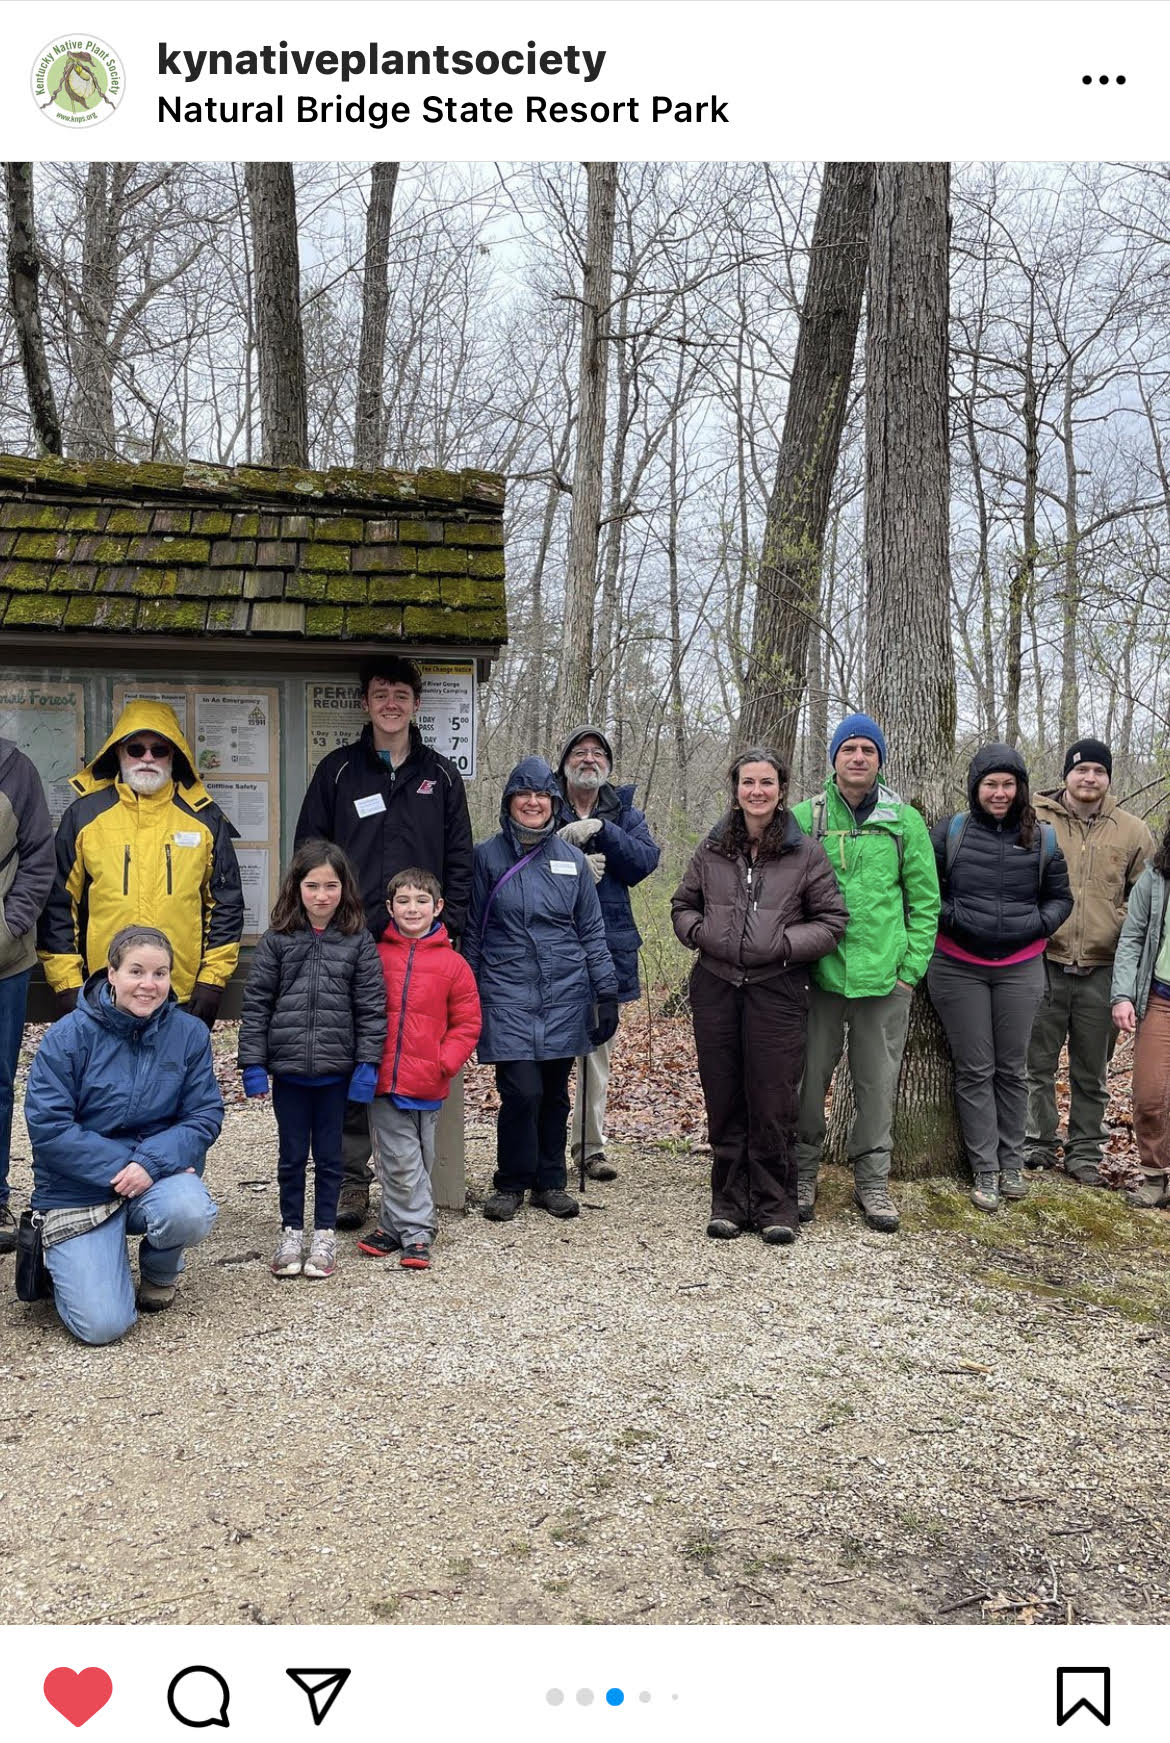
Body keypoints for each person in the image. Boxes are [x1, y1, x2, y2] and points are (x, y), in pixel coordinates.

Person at [295, 656, 474, 1230]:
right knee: (352, 1057)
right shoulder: (339, 772)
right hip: (352, 941)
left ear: (416, 704)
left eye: (401, 693)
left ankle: (414, 1193)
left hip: (420, 948)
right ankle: (351, 1181)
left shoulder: (441, 776)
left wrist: (455, 935)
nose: (390, 703)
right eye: (380, 693)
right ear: (365, 703)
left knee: (412, 1056)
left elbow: (461, 864)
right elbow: (309, 854)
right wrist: (320, 928)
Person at [671, 746, 848, 1244]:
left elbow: (833, 921)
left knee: (772, 1099)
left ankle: (775, 1206)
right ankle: (728, 1201)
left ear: (781, 789)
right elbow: (682, 904)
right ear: (736, 789)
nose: (756, 791)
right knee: (724, 1095)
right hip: (717, 985)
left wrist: (784, 945)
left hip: (778, 987)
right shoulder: (712, 848)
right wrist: (703, 933)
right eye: (748, 782)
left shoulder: (805, 852)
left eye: (766, 782)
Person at [24, 925, 222, 1346]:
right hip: (77, 1188)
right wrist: (128, 1164)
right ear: (111, 974)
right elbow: (49, 1127)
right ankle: (76, 1261)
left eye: (160, 974)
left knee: (189, 1208)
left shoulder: (189, 1034)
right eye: (136, 972)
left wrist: (149, 1165)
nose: (148, 985)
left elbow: (203, 1115)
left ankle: (159, 1271)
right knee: (103, 1326)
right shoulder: (67, 1036)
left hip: (152, 1178)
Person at [791, 713, 940, 1234]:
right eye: (848, 748)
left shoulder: (905, 822)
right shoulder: (805, 818)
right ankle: (802, 1172)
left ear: (880, 760)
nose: (858, 757)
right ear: (833, 758)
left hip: (884, 981)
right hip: (819, 977)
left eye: (867, 750)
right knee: (808, 1082)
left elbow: (925, 902)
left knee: (877, 1084)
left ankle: (872, 1180)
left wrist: (909, 972)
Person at [464, 756, 618, 1224]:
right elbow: (472, 931)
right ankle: (511, 1180)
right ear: (509, 801)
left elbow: (592, 931)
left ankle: (550, 1181)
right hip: (506, 990)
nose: (533, 803)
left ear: (553, 802)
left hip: (565, 992)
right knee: (522, 1090)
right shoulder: (486, 857)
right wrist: (465, 995)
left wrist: (605, 992)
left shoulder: (571, 860)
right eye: (523, 794)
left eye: (541, 795)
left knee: (554, 1093)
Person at [928, 744, 1073, 1213]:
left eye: (1008, 783)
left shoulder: (1043, 838)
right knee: (975, 1070)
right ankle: (984, 1170)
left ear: (1020, 787)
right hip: (957, 966)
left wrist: (1034, 926)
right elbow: (928, 891)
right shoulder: (951, 832)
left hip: (1020, 968)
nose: (1000, 792)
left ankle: (1011, 1163)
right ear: (975, 787)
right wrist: (958, 919)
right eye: (990, 783)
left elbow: (1060, 899)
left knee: (1012, 1070)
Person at [38, 701, 244, 1027]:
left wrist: (212, 981)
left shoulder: (204, 818)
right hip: (104, 993)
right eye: (136, 749)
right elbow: (59, 905)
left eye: (158, 750)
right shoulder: (84, 816)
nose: (147, 758)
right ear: (119, 753)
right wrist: (67, 985)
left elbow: (226, 903)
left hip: (181, 993)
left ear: (173, 756)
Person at [237, 842, 387, 1280]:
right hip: (289, 1071)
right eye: (312, 885)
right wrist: (252, 1062)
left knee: (330, 1155)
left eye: (331, 886)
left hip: (337, 1071)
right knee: (290, 1155)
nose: (322, 895)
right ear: (296, 887)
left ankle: (323, 1233)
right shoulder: (277, 939)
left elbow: (371, 1007)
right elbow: (257, 1004)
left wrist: (366, 1064)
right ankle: (290, 1231)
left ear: (345, 889)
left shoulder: (358, 940)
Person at [1026, 738, 1154, 1186]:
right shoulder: (1034, 819)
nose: (1089, 778)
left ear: (1108, 778)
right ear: (1066, 775)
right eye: (1081, 771)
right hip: (1043, 959)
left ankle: (1084, 1153)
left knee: (1090, 1072)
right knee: (1035, 1065)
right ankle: (1037, 1143)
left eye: (1098, 772)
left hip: (1103, 969)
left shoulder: (1132, 831)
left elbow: (1147, 903)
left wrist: (1121, 932)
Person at [358, 867, 482, 1270]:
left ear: (438, 907)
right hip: (383, 1079)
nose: (413, 908)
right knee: (399, 1157)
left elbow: (467, 1023)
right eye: (404, 901)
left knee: (419, 1158)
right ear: (390, 908)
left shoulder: (454, 964)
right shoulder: (376, 956)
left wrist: (444, 1062)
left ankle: (392, 1225)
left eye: (421, 900)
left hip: (428, 1081)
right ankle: (417, 1232)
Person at [554, 725, 660, 1183]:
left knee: (597, 1055)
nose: (589, 759)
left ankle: (590, 1147)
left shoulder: (625, 811)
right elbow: (518, 861)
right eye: (580, 752)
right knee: (552, 1053)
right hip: (553, 948)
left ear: (608, 765)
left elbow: (643, 862)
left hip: (609, 951)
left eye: (598, 753)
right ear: (564, 763)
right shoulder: (545, 802)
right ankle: (544, 1151)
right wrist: (568, 852)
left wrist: (601, 829)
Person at [0, 738, 55, 1254]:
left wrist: (10, 926)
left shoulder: (16, 768)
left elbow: (40, 856)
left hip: (4, 962)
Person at [1109, 819, 1170, 1209]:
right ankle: (1153, 1176)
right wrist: (1123, 995)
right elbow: (1132, 936)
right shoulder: (1157, 876)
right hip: (1161, 997)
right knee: (1150, 1095)